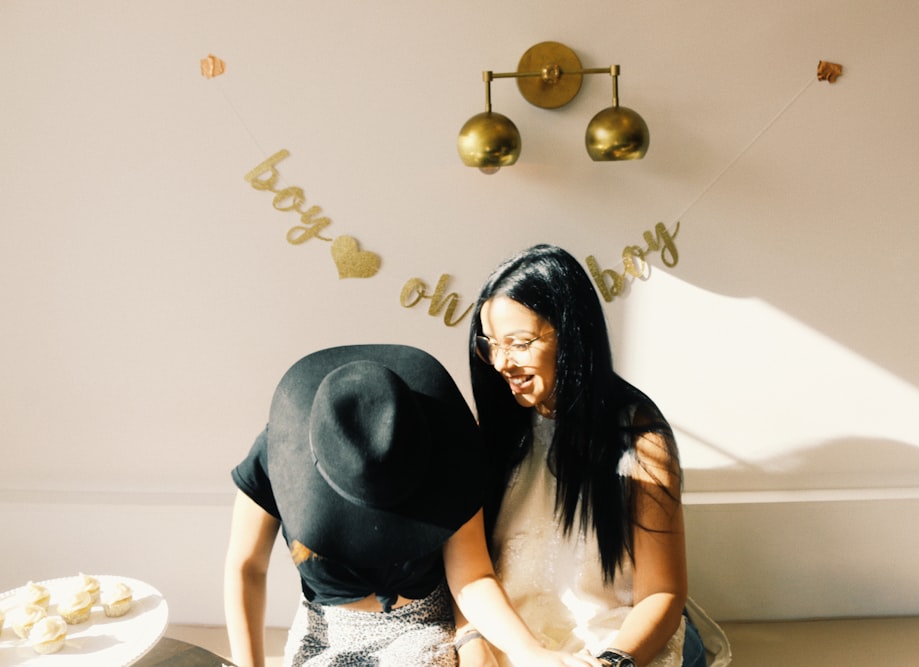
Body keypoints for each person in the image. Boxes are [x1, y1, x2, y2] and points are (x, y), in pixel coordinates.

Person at [224, 344, 605, 667]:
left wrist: (531, 653)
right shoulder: (280, 450)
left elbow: (471, 576)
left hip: (421, 628)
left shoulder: (445, 445)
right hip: (326, 629)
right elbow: (247, 567)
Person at [460, 245, 730, 667]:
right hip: (513, 635)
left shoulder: (639, 438)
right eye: (489, 344)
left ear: (571, 335)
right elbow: (470, 575)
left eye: (518, 344)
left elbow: (662, 593)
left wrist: (611, 661)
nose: (499, 363)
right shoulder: (492, 432)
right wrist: (506, 649)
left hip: (619, 637)